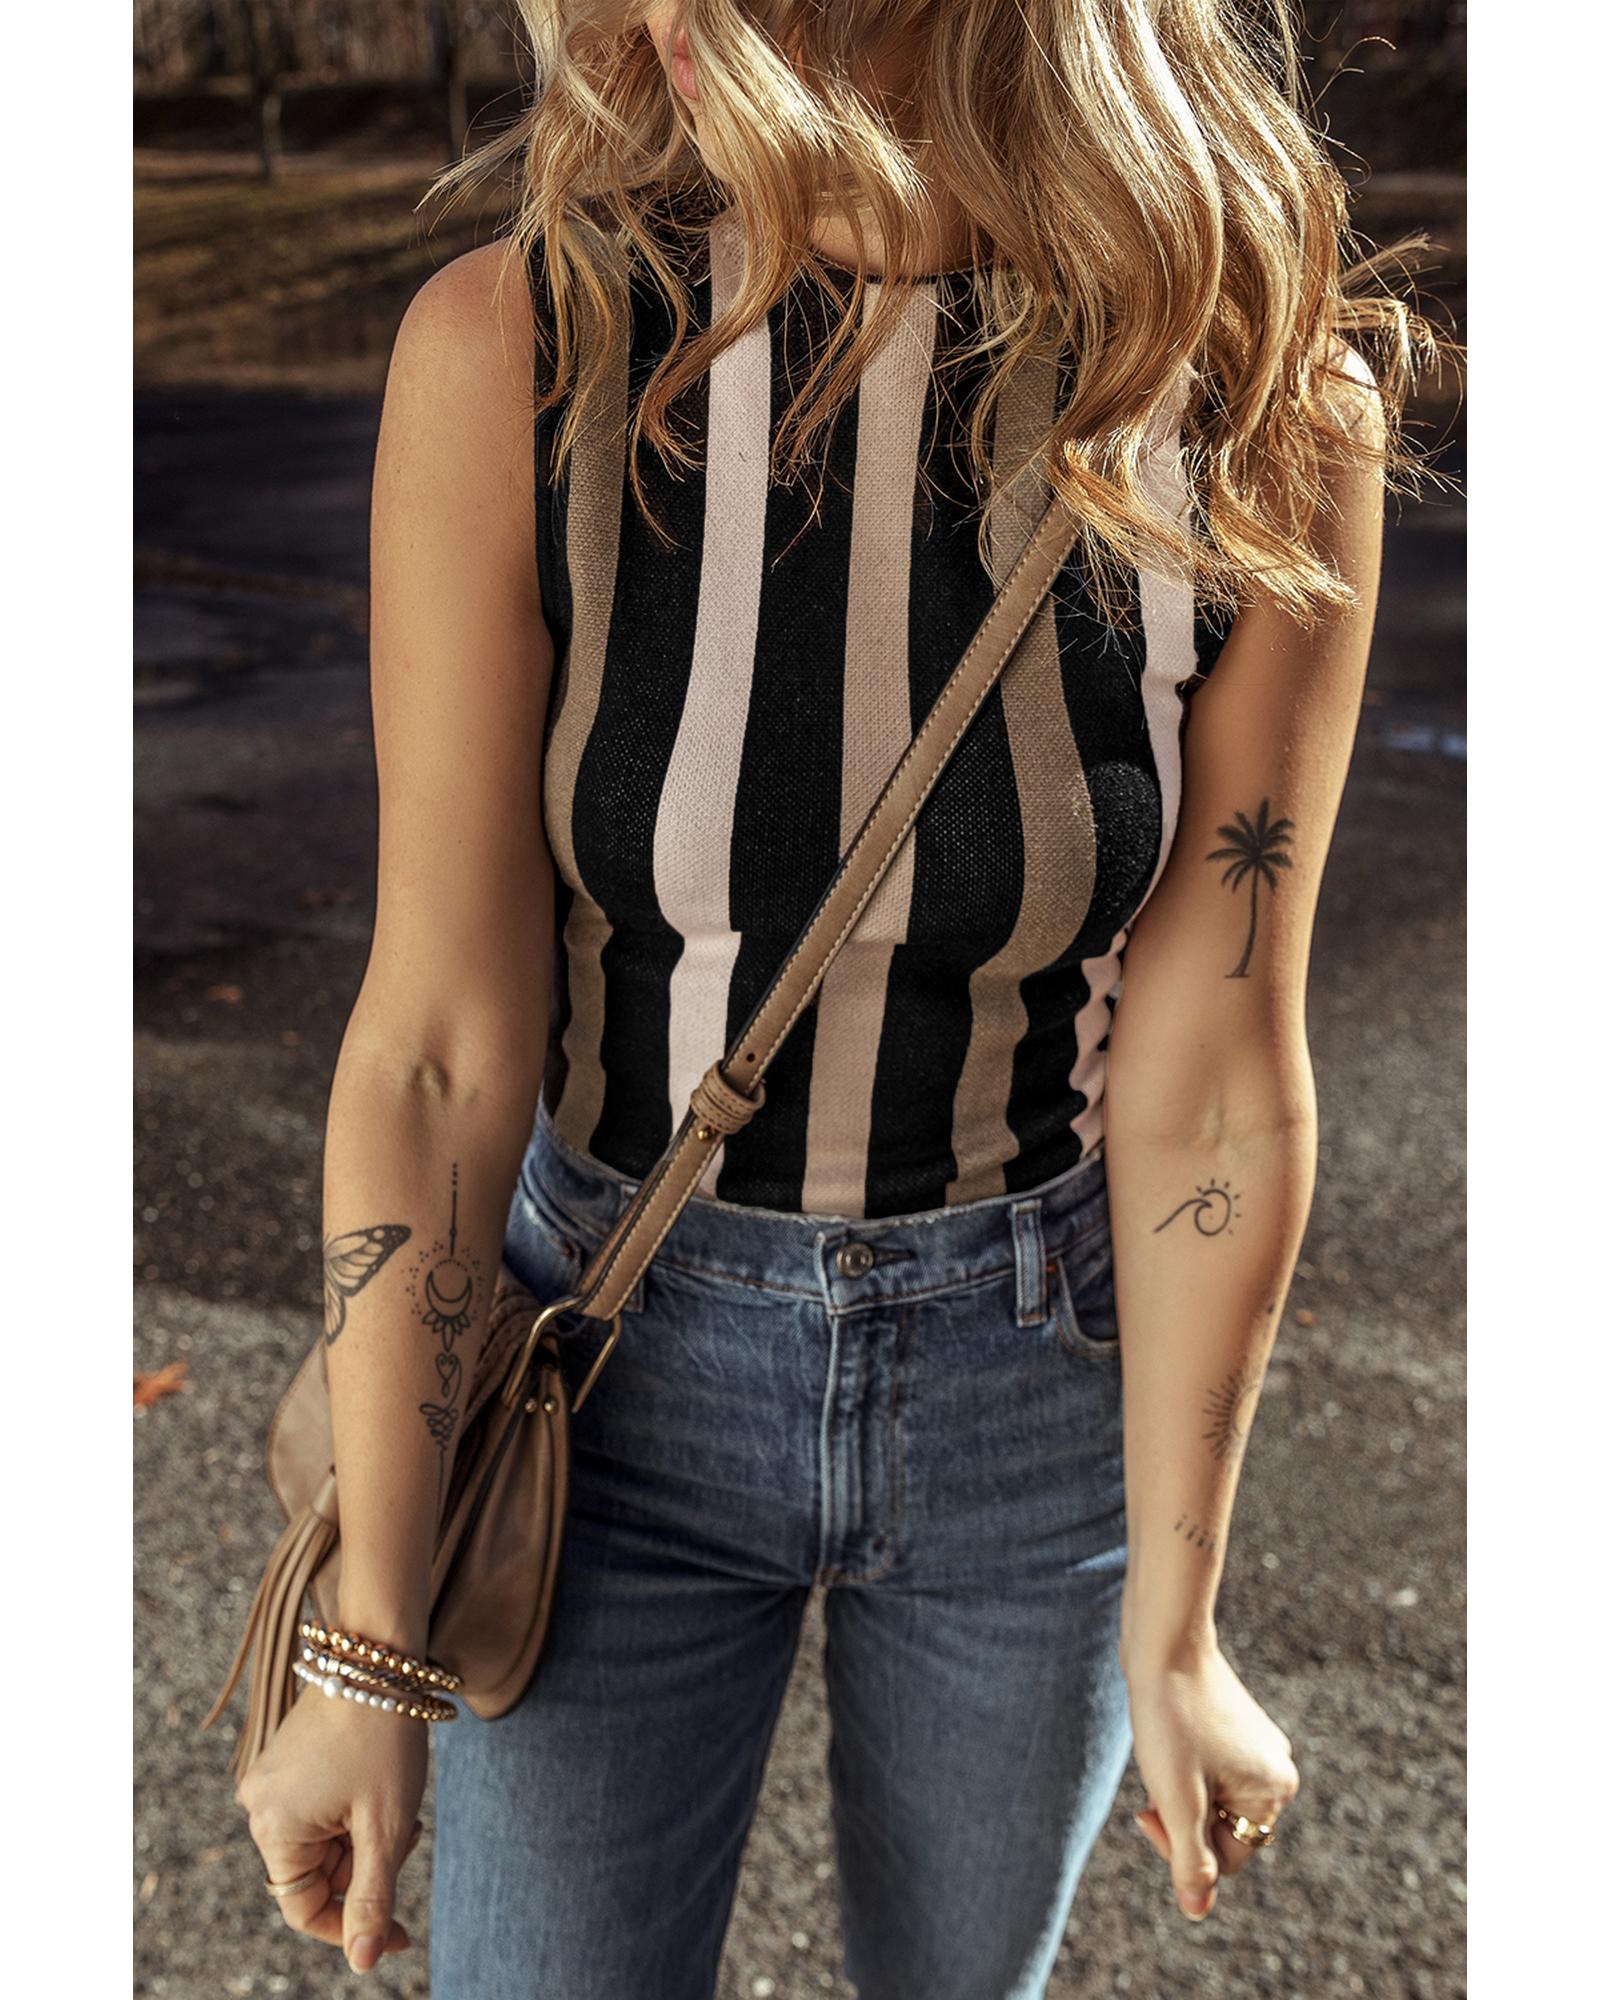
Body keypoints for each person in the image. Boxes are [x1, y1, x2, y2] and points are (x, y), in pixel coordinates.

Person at [231, 3, 1450, 1994]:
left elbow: (1220, 1072)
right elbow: (438, 1047)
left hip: (1029, 1390)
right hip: (608, 1370)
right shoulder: (518, 353)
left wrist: (1178, 1627)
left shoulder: (1254, 408)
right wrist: (367, 1648)